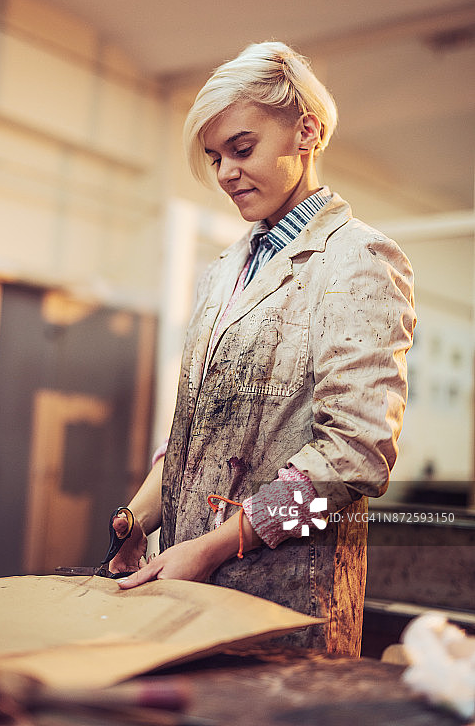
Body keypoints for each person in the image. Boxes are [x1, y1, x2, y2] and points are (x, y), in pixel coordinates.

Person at [110, 41, 416, 656]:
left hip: (284, 598)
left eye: (241, 149)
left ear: (307, 131)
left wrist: (215, 545)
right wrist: (133, 521)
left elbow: (355, 458)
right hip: (184, 582)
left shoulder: (357, 260)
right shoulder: (222, 272)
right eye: (214, 156)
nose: (224, 173)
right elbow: (195, 433)